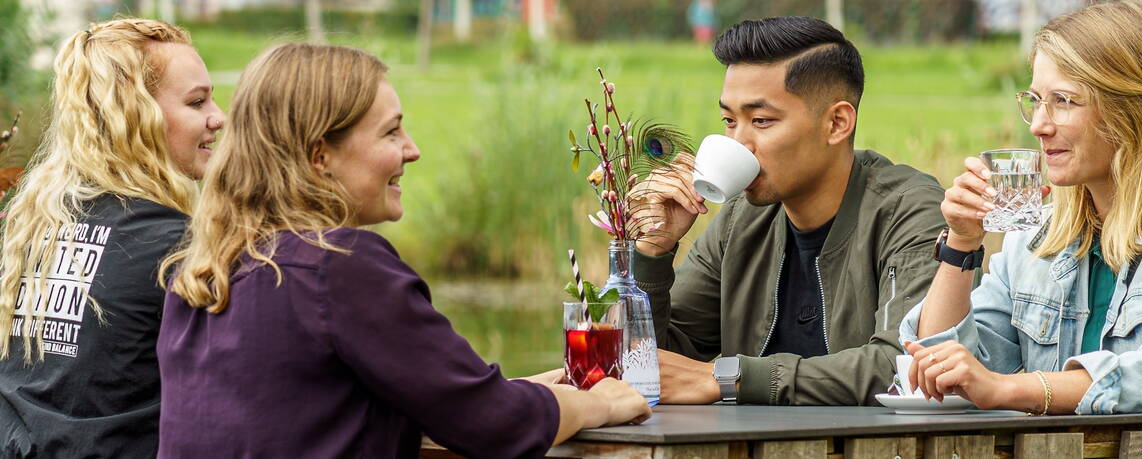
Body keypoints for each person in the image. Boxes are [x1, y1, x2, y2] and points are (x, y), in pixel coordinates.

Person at [157, 43, 650, 458]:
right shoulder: (338, 265)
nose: (412, 149)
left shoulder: (204, 272)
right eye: (391, 131)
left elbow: (309, 414)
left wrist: (520, 394)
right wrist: (597, 404)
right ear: (319, 156)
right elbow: (493, 423)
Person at [899, 1, 1142, 457]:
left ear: (1132, 109)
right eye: (1035, 101)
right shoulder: (1038, 233)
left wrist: (1004, 388)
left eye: (1064, 101)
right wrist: (962, 243)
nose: (1039, 125)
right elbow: (943, 374)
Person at [631, 16, 947, 405]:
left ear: (837, 123)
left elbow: (901, 366)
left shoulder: (911, 212)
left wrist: (732, 378)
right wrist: (652, 252)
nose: (738, 143)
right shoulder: (739, 220)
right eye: (729, 121)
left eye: (761, 121)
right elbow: (653, 363)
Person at [0, 19, 225, 457]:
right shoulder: (175, 245)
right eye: (197, 102)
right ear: (135, 115)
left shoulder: (36, 226)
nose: (219, 117)